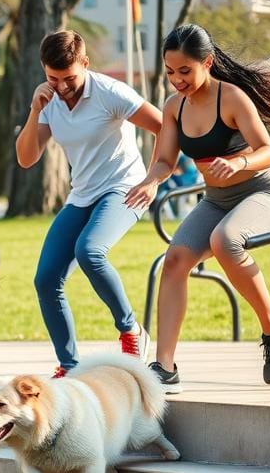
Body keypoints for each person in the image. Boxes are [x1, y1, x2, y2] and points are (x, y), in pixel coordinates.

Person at [126, 23, 270, 391]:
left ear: (207, 62)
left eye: (185, 71)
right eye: (171, 71)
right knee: (174, 261)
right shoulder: (174, 107)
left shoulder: (232, 98)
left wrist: (239, 163)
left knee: (225, 241)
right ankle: (165, 367)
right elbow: (165, 161)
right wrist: (151, 181)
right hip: (217, 201)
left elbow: (269, 152)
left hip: (264, 194)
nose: (177, 80)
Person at [15, 29, 163, 377]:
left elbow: (165, 126)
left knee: (90, 251)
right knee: (46, 279)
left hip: (124, 188)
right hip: (82, 194)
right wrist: (35, 111)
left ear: (85, 63)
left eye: (69, 77)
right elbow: (26, 158)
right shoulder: (48, 100)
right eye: (53, 77)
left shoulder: (110, 92)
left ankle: (131, 330)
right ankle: (69, 366)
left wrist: (153, 178)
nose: (62, 86)